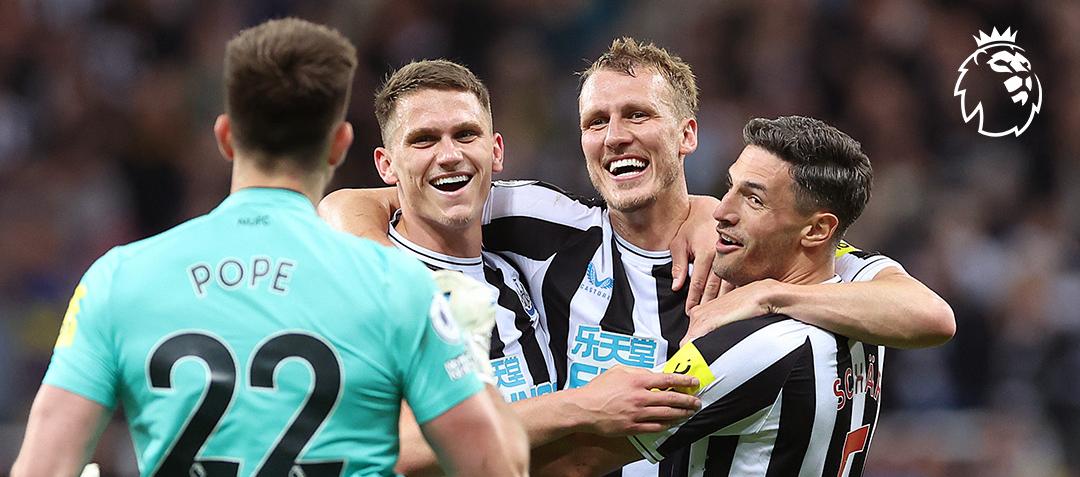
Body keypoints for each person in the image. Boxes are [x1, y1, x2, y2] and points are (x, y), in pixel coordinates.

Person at [321, 38, 954, 476]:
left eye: (638, 115)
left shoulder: (754, 258)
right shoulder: (538, 229)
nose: (616, 135)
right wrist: (382, 272)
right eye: (597, 121)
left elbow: (926, 313)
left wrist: (760, 284)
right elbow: (363, 201)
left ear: (687, 134)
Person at [11, 18, 527, 477]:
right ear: (340, 144)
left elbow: (42, 466)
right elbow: (495, 465)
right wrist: (469, 357)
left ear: (226, 137)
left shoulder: (117, 280)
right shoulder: (402, 286)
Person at [338, 58, 702, 477]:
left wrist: (702, 215)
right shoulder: (374, 284)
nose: (449, 155)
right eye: (423, 140)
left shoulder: (514, 264)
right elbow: (387, 446)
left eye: (465, 134)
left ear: (495, 151)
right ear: (386, 165)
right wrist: (579, 406)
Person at [535, 115, 889, 476]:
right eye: (730, 187)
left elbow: (573, 463)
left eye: (753, 199)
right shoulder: (866, 314)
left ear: (817, 230)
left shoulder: (750, 346)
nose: (720, 211)